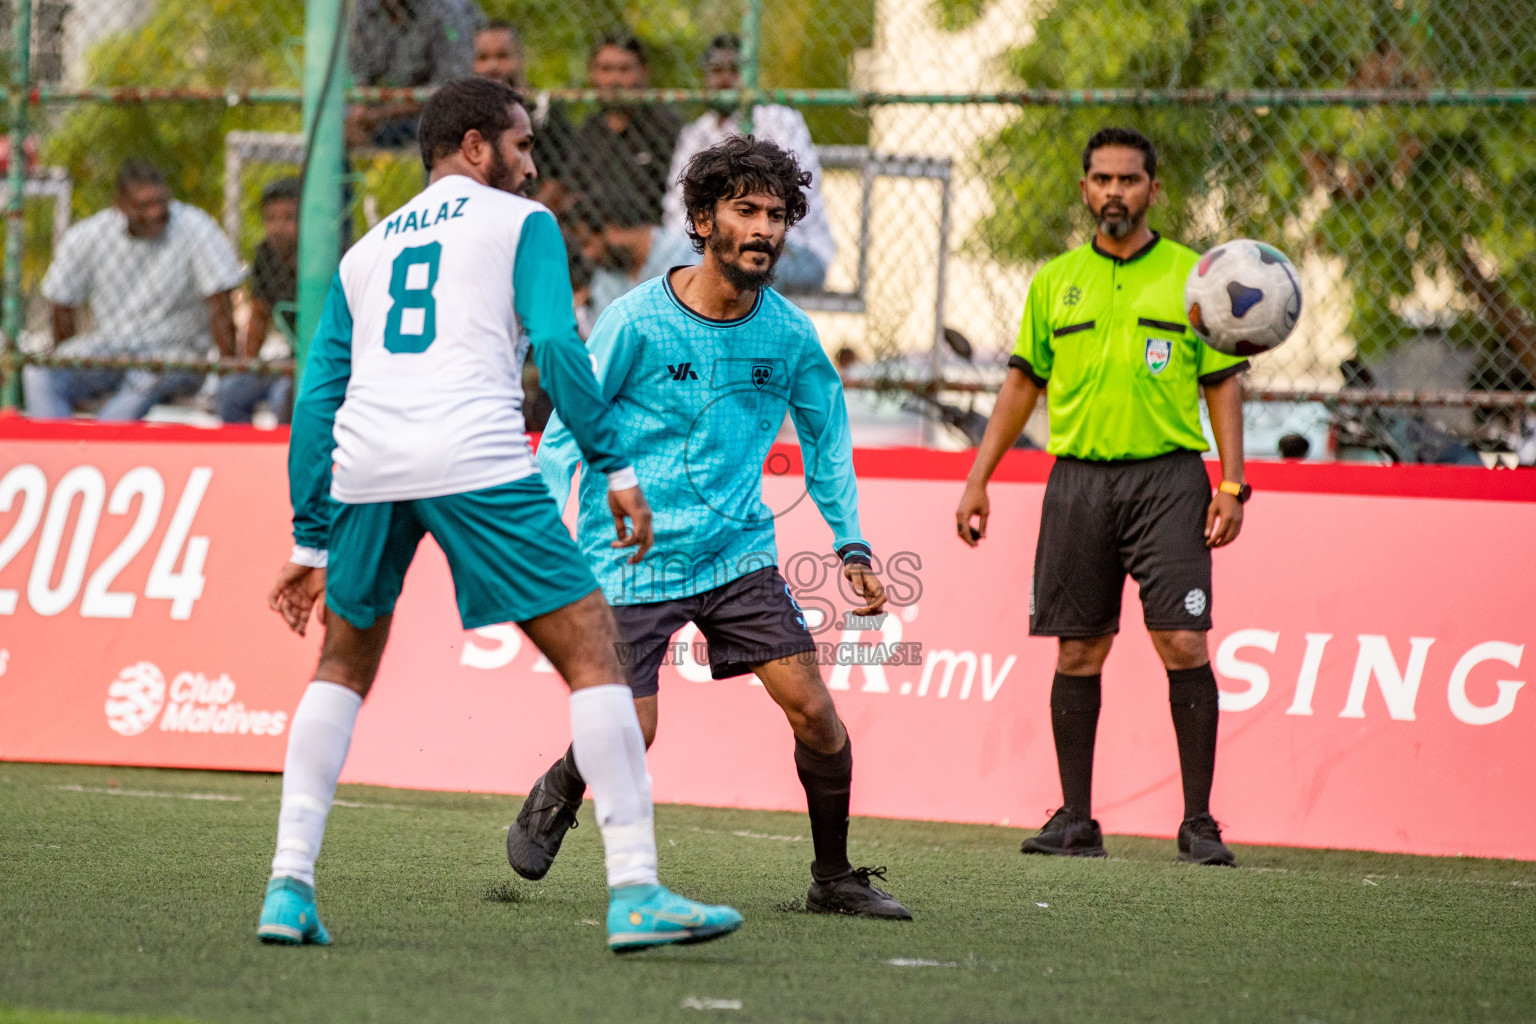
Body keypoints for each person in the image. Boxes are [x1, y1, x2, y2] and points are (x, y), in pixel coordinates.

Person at [257, 76, 742, 954]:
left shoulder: (363, 251)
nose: (529, 164)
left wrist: (307, 534)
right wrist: (615, 467)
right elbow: (557, 347)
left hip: (369, 464)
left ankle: (287, 887)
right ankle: (635, 890)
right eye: (520, 146)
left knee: (341, 666)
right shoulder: (523, 224)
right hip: (472, 455)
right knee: (598, 653)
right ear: (475, 146)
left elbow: (318, 397)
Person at [505, 136, 911, 921]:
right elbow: (566, 431)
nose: (764, 229)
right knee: (635, 734)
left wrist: (851, 543)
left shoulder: (789, 335)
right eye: (746, 210)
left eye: (777, 215)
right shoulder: (636, 321)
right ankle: (564, 783)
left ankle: (834, 878)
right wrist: (540, 530)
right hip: (631, 554)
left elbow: (827, 440)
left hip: (737, 554)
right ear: (703, 219)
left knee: (817, 716)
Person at [955, 127, 1250, 867]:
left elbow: (1222, 382)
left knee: (1182, 640)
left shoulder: (1194, 278)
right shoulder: (1055, 281)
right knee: (1079, 647)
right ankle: (1077, 820)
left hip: (1169, 479)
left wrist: (1233, 482)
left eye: (1129, 179)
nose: (1115, 191)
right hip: (1077, 482)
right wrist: (978, 477)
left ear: (1153, 189)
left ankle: (1199, 823)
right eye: (1102, 179)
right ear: (1085, 189)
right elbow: (1023, 381)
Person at [24, 160, 242, 421]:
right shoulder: (90, 234)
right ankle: (55, 448)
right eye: (144, 206)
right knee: (39, 373)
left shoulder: (195, 227)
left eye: (161, 202)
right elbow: (61, 303)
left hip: (175, 354)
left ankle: (98, 447)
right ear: (120, 205)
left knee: (143, 381)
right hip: (110, 349)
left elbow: (220, 301)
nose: (156, 212)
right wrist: (65, 355)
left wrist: (229, 374)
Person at [662, 34, 835, 292]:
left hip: (793, 249)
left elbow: (796, 201)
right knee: (659, 259)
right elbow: (677, 208)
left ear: (751, 75)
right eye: (716, 70)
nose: (724, 79)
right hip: (710, 245)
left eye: (734, 70)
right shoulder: (696, 133)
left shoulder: (780, 120)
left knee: (716, 270)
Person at [568, 37, 683, 226]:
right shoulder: (587, 133)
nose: (614, 80)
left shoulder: (668, 130)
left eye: (624, 69)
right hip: (592, 241)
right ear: (592, 74)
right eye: (606, 69)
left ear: (644, 72)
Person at [347, 0, 484, 149]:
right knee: (339, 123)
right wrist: (359, 110)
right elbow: (359, 71)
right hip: (384, 110)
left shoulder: (445, 9)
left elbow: (451, 87)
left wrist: (381, 112)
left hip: (430, 109)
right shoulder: (365, 8)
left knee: (441, 123)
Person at [473, 19, 577, 214]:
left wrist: (521, 219)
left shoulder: (544, 111)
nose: (492, 66)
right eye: (483, 57)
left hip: (531, 213)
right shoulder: (463, 115)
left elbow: (558, 182)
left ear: (521, 58)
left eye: (502, 56)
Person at [217, 178, 299, 425]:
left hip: (322, 362)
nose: (278, 226)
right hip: (289, 359)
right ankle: (239, 458)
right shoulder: (266, 255)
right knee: (231, 391)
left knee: (284, 395)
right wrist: (247, 364)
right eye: (271, 218)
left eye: (288, 218)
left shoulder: (331, 254)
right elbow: (260, 315)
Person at [581, 189, 698, 316]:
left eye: (587, 243)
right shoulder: (604, 282)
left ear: (612, 228)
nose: (587, 254)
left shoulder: (682, 249)